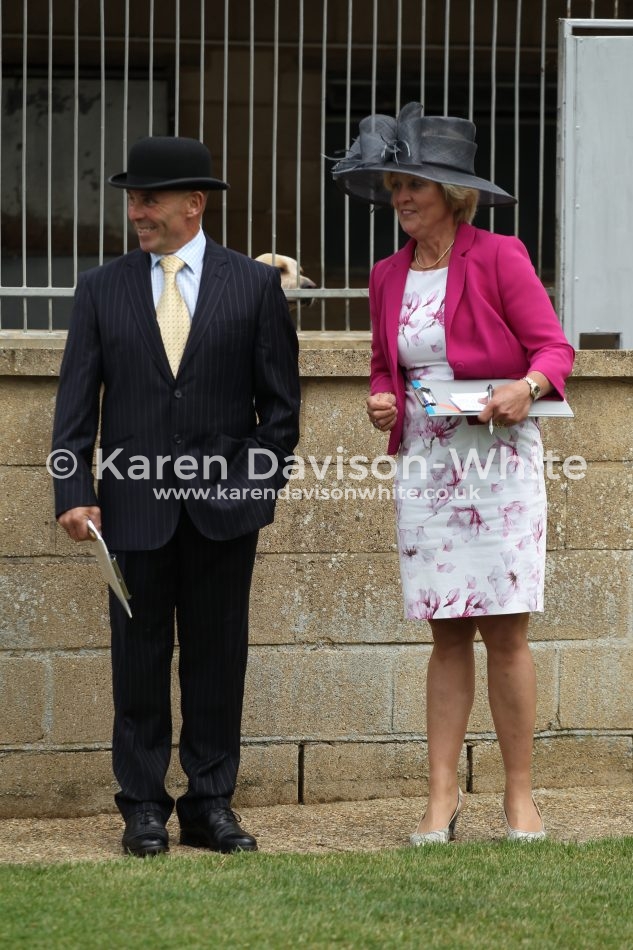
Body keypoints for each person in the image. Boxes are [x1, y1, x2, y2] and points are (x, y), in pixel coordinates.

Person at [332, 103, 574, 844]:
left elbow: (554, 350)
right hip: (426, 470)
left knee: (505, 632)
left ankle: (518, 797)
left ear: (452, 193)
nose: (401, 198)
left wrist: (525, 387)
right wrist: (381, 398)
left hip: (499, 464)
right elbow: (386, 365)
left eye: (415, 185)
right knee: (445, 635)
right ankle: (441, 799)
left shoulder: (500, 256)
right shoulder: (385, 275)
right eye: (395, 186)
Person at [52, 136, 301, 856]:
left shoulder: (252, 287)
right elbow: (75, 408)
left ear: (194, 203)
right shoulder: (100, 289)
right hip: (131, 512)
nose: (137, 211)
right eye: (133, 200)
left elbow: (281, 409)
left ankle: (210, 804)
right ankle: (141, 807)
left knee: (218, 660)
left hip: (224, 515)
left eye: (149, 199)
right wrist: (73, 489)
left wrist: (252, 486)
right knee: (137, 661)